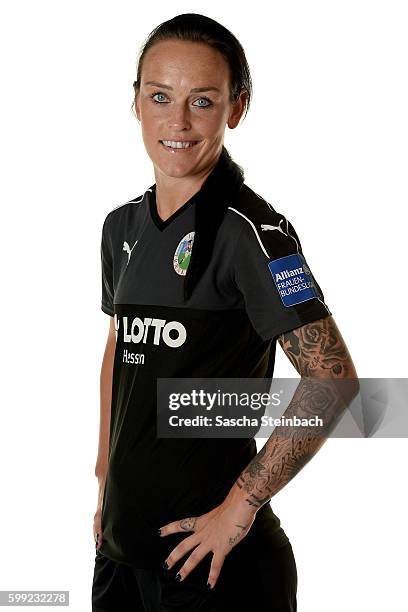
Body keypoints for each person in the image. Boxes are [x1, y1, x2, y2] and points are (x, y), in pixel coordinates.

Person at [91, 13, 358, 612]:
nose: (177, 122)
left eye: (202, 101)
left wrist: (239, 510)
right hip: (120, 555)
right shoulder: (120, 228)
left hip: (212, 567)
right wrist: (107, 478)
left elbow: (333, 380)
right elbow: (120, 347)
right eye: (160, 96)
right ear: (135, 101)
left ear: (236, 108)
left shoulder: (254, 233)